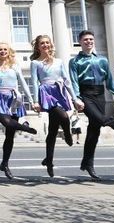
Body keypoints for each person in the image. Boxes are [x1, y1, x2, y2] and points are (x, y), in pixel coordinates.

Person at [69, 30, 114, 180]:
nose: (88, 42)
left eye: (91, 39)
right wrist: (76, 98)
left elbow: (110, 82)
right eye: (85, 40)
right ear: (80, 42)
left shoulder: (102, 60)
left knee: (94, 131)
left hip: (100, 94)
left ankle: (87, 162)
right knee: (99, 119)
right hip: (85, 94)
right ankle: (109, 121)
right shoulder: (75, 61)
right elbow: (73, 81)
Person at [30, 35, 84, 177]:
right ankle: (67, 133)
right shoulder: (35, 63)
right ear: (38, 46)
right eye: (42, 43)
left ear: (51, 45)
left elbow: (66, 80)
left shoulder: (59, 61)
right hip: (46, 93)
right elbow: (35, 82)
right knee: (63, 115)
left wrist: (74, 98)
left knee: (53, 130)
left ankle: (49, 160)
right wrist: (35, 101)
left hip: (59, 91)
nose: (45, 45)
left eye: (47, 43)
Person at [0, 42, 38, 179]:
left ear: (9, 51)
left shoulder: (15, 67)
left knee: (9, 136)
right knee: (7, 123)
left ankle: (5, 164)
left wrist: (32, 101)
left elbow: (23, 84)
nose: (3, 51)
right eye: (0, 50)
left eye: (5, 49)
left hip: (14, 100)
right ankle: (24, 127)